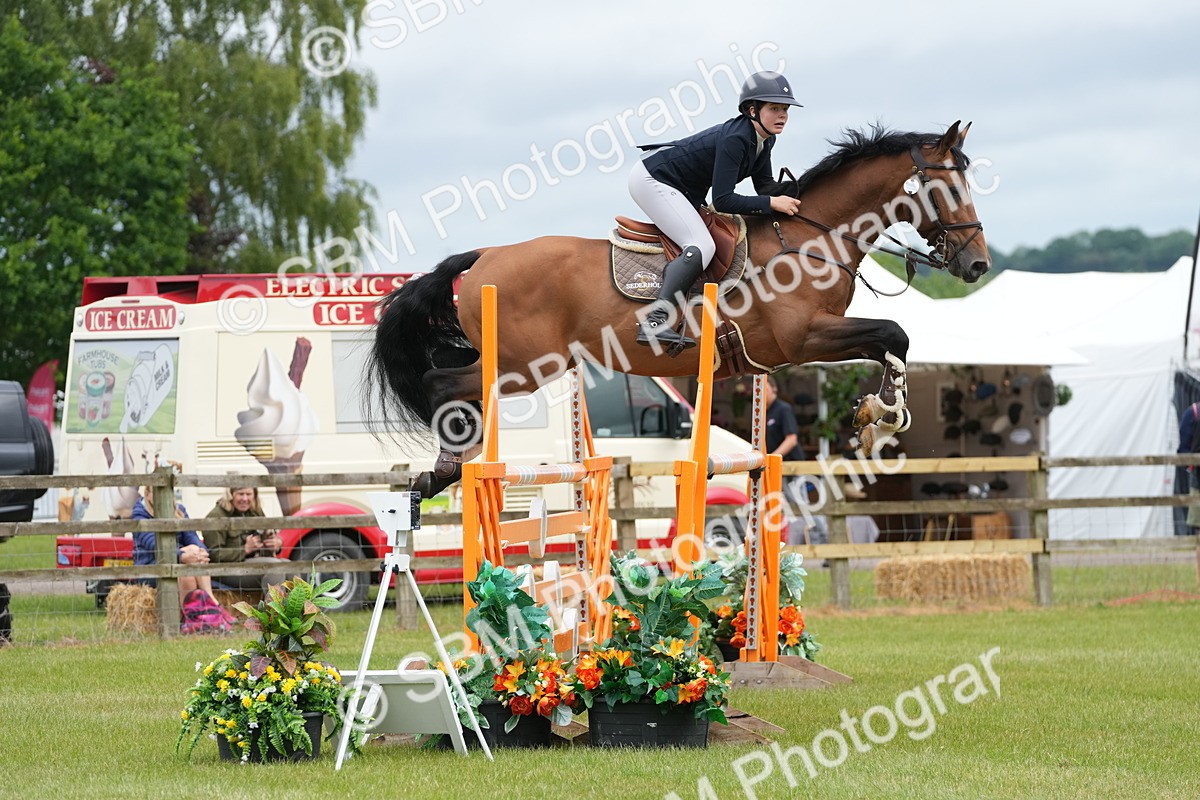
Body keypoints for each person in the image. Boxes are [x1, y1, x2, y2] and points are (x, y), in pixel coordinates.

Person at [630, 71, 804, 350]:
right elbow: (723, 200)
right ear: (752, 110)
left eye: (785, 109)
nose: (782, 115)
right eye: (774, 108)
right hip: (653, 179)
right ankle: (655, 321)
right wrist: (772, 203)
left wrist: (804, 190)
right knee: (702, 245)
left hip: (682, 187)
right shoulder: (736, 138)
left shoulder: (766, 139)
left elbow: (765, 186)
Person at [131, 488, 234, 626]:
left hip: (179, 561)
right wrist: (182, 554)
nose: (163, 496)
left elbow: (191, 536)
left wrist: (200, 552)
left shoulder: (179, 509)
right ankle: (197, 616)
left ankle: (209, 608)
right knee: (187, 574)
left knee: (194, 554)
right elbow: (153, 545)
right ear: (147, 494)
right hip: (151, 565)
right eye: (157, 492)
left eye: (167, 491)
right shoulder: (139, 515)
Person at [204, 487, 290, 591]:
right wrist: (245, 549)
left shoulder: (255, 511)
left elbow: (270, 533)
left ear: (254, 495)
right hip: (226, 569)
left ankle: (296, 602)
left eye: (248, 494)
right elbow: (214, 555)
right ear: (230, 495)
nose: (245, 499)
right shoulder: (216, 516)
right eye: (240, 494)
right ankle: (273, 602)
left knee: (289, 566)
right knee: (274, 567)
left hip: (253, 563)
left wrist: (276, 543)